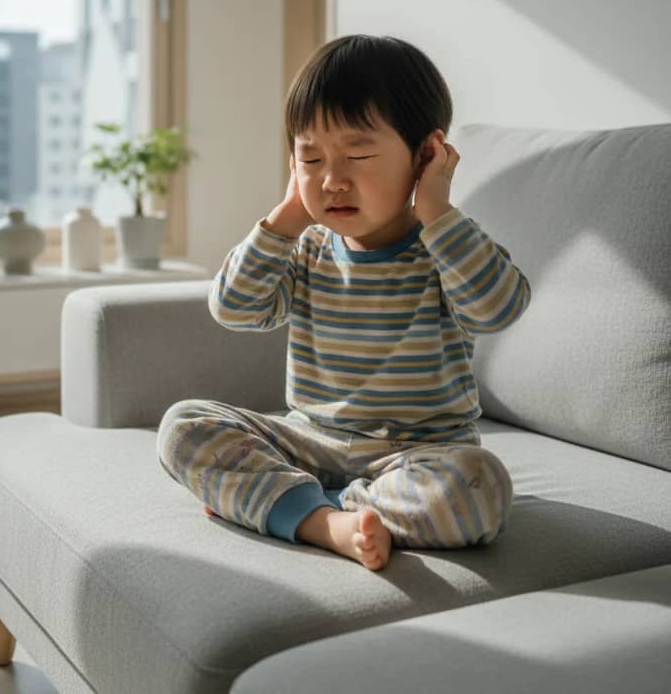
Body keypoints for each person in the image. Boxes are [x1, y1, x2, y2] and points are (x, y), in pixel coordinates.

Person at [157, 34, 531, 571]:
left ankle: (300, 505)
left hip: (416, 457)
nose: (333, 180)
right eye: (311, 157)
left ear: (426, 156)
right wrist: (287, 216)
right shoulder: (307, 249)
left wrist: (436, 211)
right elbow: (234, 308)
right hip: (310, 443)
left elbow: (499, 309)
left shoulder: (446, 248)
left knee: (480, 484)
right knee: (183, 426)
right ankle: (322, 522)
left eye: (358, 155)